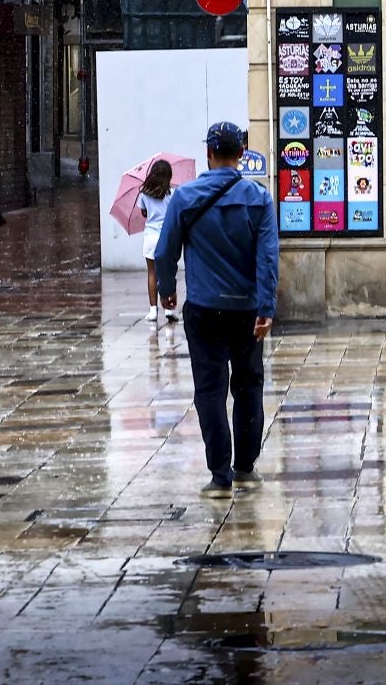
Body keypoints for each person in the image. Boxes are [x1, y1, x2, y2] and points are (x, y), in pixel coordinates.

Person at [153, 121, 278, 499]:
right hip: (246, 309)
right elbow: (268, 258)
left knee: (210, 389)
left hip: (204, 308)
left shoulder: (185, 197)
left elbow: (165, 250)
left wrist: (167, 290)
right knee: (248, 384)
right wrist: (266, 305)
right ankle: (245, 467)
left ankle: (219, 474)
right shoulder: (259, 199)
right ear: (241, 154)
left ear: (209, 153)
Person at [136, 159, 177, 326]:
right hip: (167, 237)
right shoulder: (172, 193)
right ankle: (170, 309)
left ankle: (153, 310)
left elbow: (144, 212)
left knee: (152, 273)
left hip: (151, 237)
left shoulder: (144, 194)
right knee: (168, 273)